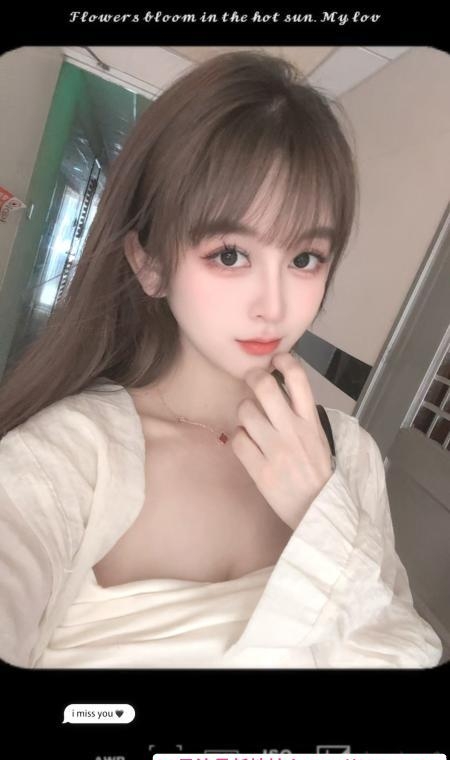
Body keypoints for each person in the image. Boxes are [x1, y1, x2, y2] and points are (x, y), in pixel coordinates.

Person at [0, 51, 442, 670]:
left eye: (305, 258)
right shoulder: (66, 459)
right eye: (230, 254)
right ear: (150, 264)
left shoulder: (349, 456)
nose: (274, 305)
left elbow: (403, 650)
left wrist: (323, 510)